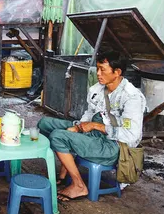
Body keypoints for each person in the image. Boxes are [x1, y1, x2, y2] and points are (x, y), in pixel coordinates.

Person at [38, 51, 146, 201]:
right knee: (45, 123)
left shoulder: (131, 97)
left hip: (115, 146)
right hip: (94, 133)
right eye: (97, 69)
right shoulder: (98, 89)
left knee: (58, 136)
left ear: (117, 72)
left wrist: (96, 126)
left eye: (103, 70)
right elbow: (89, 114)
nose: (98, 74)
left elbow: (131, 135)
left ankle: (79, 186)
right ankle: (65, 169)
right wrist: (78, 128)